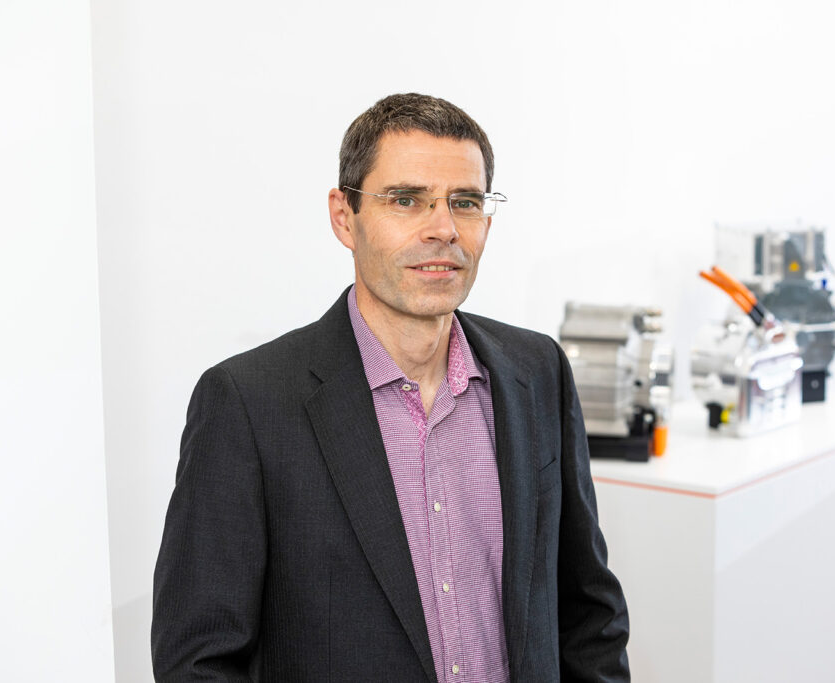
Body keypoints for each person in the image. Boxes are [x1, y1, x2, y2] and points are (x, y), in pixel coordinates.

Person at [152, 93, 630, 682]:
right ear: (343, 216)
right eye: (406, 200)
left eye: (466, 202)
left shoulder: (536, 371)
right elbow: (198, 661)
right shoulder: (249, 402)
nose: (443, 229)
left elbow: (588, 613)